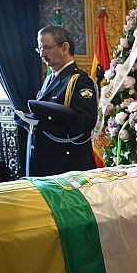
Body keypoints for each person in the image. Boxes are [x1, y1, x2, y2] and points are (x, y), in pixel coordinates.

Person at [20, 25, 97, 176]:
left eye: (47, 48)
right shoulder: (50, 79)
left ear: (65, 48)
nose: (42, 54)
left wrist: (43, 122)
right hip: (46, 164)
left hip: (66, 167)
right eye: (40, 49)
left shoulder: (79, 81)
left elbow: (85, 122)